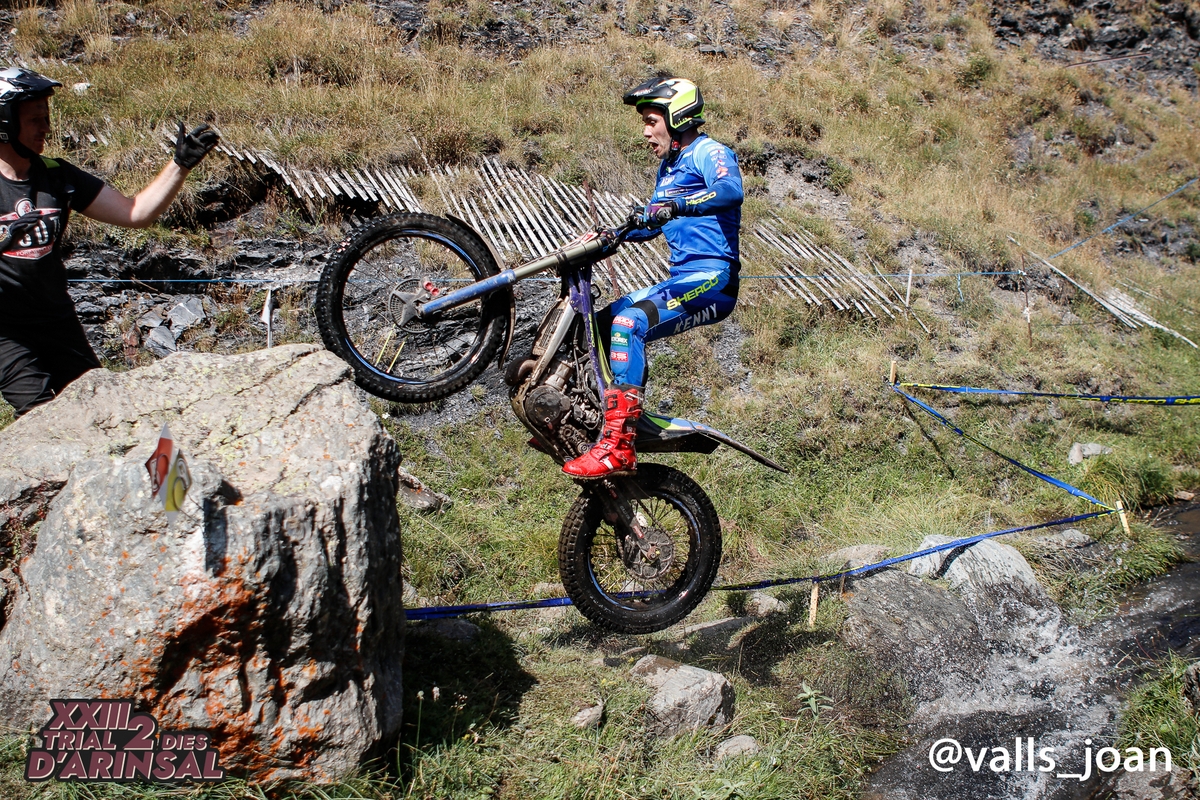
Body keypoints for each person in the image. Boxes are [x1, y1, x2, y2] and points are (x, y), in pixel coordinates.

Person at [0, 67, 219, 417]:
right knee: (41, 415)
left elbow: (135, 213)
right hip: (5, 330)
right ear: (5, 123)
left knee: (98, 410)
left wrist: (180, 165)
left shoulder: (56, 174)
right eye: (35, 120)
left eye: (47, 117)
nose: (46, 128)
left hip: (56, 319)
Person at [563, 76, 743, 479]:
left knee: (629, 324)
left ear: (676, 117)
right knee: (599, 325)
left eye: (650, 121)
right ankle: (594, 419)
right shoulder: (669, 168)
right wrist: (612, 236)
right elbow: (651, 223)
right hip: (682, 279)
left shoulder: (709, 152)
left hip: (713, 279)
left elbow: (730, 191)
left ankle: (619, 444)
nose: (645, 132)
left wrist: (677, 205)